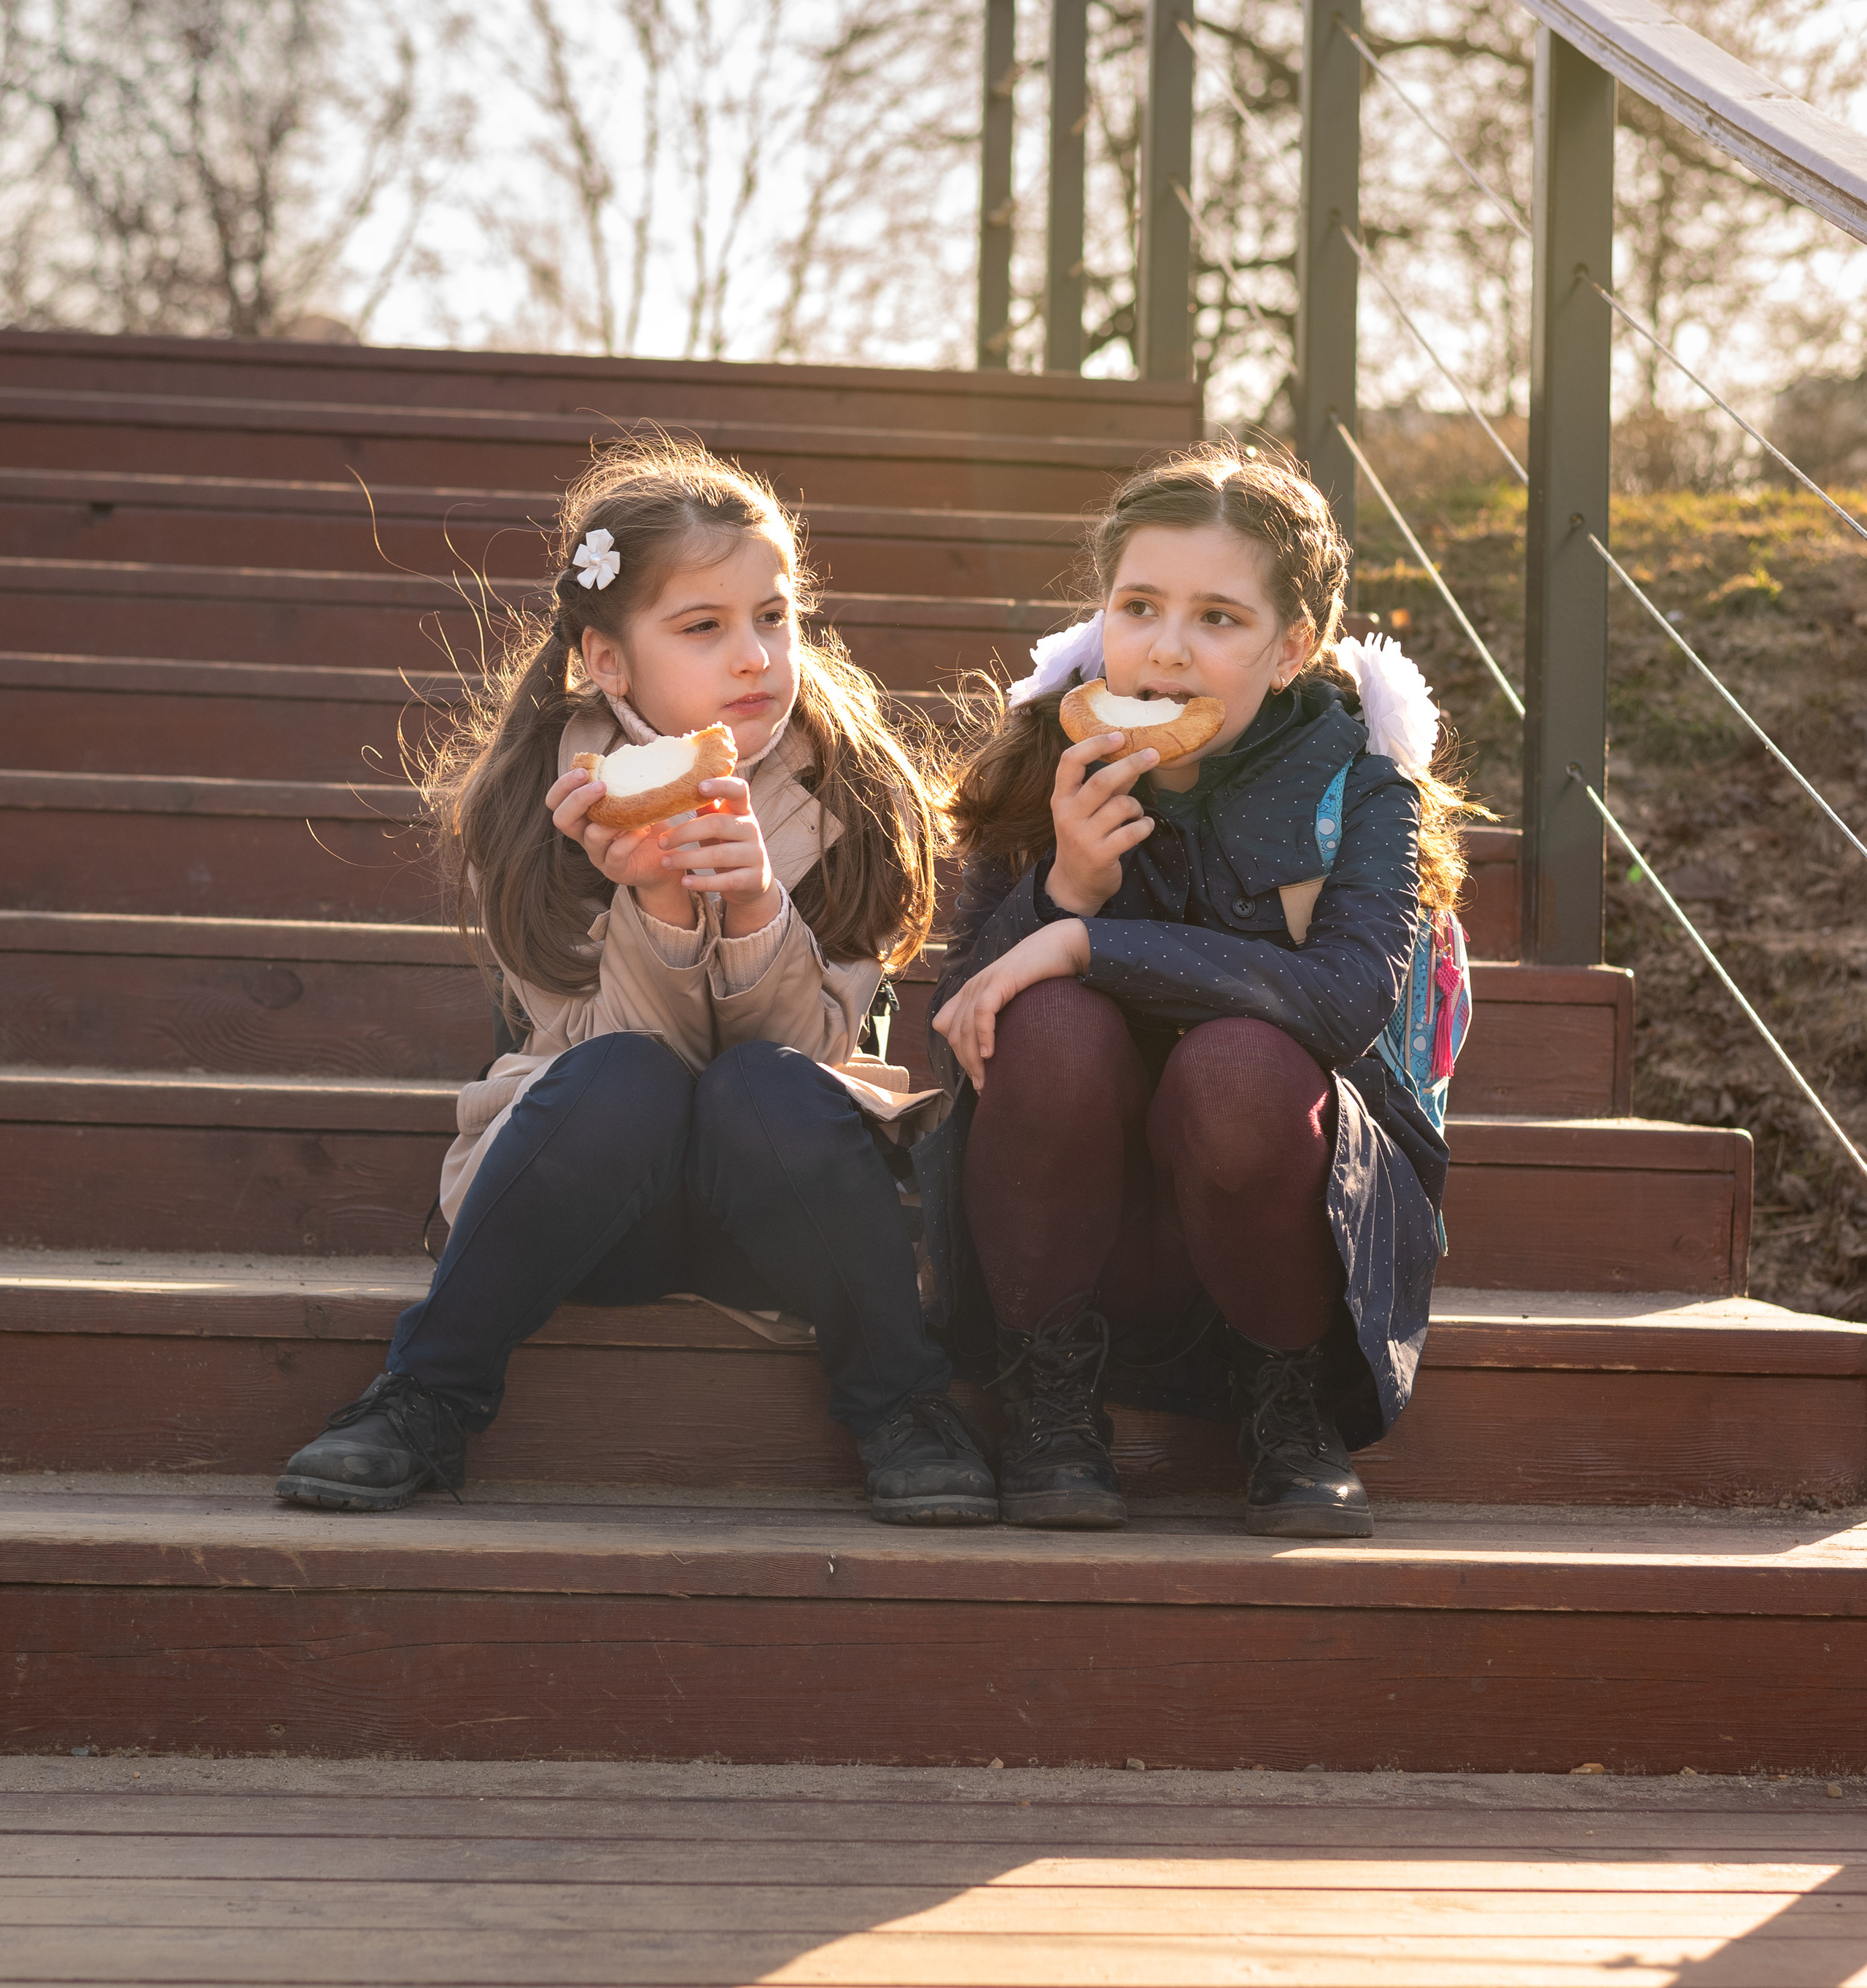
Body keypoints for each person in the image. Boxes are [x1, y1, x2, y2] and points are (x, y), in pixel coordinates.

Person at [276, 438, 996, 1524]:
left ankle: (901, 1403)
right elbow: (601, 1061)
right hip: (596, 1210)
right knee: (623, 1078)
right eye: (703, 627)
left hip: (785, 1210)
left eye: (774, 615)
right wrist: (656, 905)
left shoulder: (853, 793)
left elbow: (815, 1050)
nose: (753, 655)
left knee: (765, 1085)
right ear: (608, 662)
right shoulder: (541, 803)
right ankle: (425, 1395)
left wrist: (757, 908)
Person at [922, 438, 1472, 1538]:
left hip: (1282, 1207)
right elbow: (956, 1033)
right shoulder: (1039, 766)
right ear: (1102, 616)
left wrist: (1086, 942)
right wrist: (1063, 889)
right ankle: (1047, 1395)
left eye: (1218, 618)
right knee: (1050, 1026)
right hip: (1072, 1224)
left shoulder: (1363, 792)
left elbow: (1340, 1002)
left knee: (1237, 1061)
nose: (1166, 650)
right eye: (1139, 607)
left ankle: (1290, 1399)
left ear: (1291, 647)